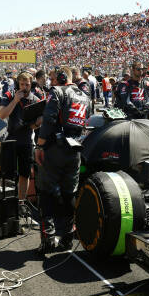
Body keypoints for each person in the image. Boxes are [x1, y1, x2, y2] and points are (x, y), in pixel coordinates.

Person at [35, 67, 91, 254]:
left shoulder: (57, 92)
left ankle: (48, 239)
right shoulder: (84, 95)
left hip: (54, 149)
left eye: (52, 78)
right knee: (69, 193)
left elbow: (49, 120)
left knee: (46, 192)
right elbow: (85, 121)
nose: (50, 82)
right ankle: (67, 237)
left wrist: (40, 145)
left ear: (60, 77)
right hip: (75, 150)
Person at [0, 72, 42, 202]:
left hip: (27, 141)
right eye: (22, 84)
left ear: (31, 84)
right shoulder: (10, 95)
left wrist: (37, 123)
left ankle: (21, 202)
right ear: (18, 84)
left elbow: (37, 124)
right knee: (7, 175)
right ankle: (5, 202)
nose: (24, 87)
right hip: (11, 140)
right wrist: (15, 100)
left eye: (27, 84)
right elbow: (1, 115)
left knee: (25, 174)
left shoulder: (36, 99)